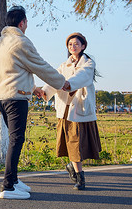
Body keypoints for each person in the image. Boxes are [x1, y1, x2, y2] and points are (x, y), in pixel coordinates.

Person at [0, 5, 70, 199]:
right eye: (26, 22)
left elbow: (13, 70)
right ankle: (8, 187)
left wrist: (32, 88)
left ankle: (14, 180)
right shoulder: (21, 42)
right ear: (22, 23)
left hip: (2, 95)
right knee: (16, 140)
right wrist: (62, 82)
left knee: (14, 139)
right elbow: (40, 66)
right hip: (16, 97)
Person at [38, 32, 101, 190]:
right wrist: (45, 91)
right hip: (64, 108)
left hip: (80, 108)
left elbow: (82, 77)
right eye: (70, 44)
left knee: (77, 144)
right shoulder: (63, 66)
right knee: (72, 144)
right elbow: (55, 80)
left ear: (83, 46)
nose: (73, 47)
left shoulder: (88, 64)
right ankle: (80, 177)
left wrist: (68, 84)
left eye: (76, 44)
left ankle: (75, 169)